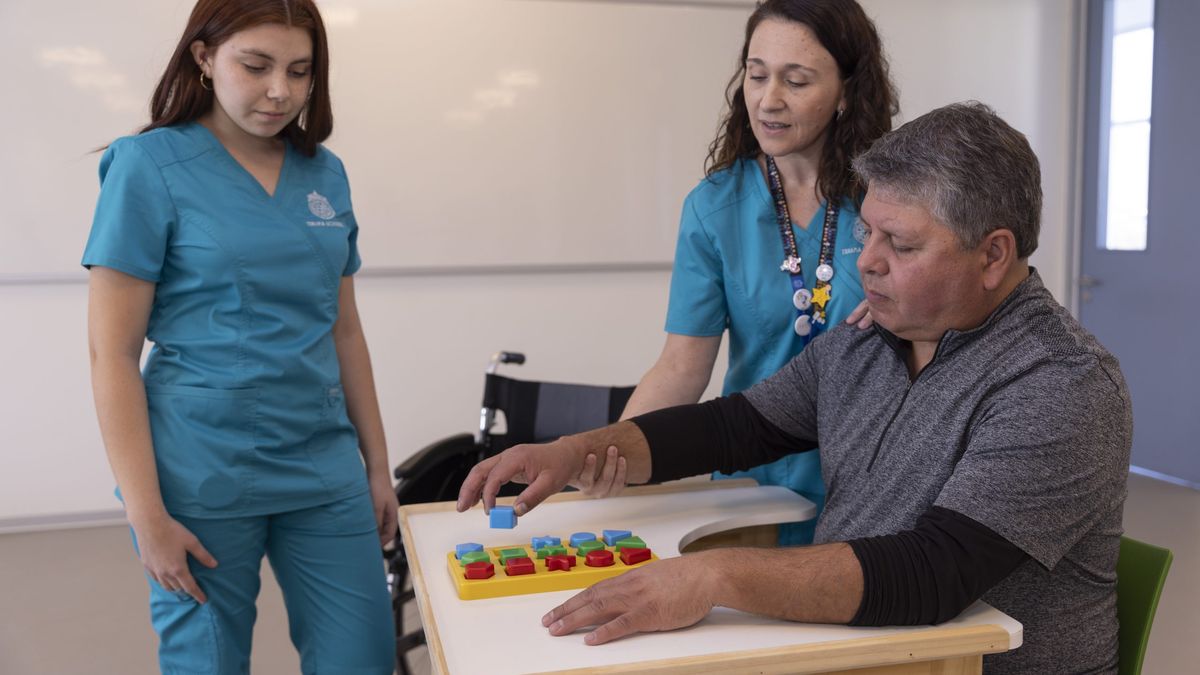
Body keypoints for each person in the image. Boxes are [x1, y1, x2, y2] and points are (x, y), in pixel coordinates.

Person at [458, 102, 1132, 675]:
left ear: (993, 255)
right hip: (859, 651)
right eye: (868, 231)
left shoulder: (1061, 383)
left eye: (900, 243)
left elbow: (935, 571)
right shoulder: (870, 337)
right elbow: (736, 426)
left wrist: (718, 575)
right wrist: (576, 452)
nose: (865, 260)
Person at [83, 1, 395, 672]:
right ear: (204, 57)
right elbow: (111, 353)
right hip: (201, 470)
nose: (279, 90)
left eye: (300, 70)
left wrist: (376, 465)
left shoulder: (324, 172)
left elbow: (344, 329)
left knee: (362, 656)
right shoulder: (147, 165)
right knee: (209, 662)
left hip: (322, 462)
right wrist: (146, 515)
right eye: (255, 66)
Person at [577, 0, 898, 547]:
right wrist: (610, 453)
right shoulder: (714, 206)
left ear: (846, 90)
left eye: (796, 81)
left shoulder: (891, 198)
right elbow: (681, 366)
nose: (768, 100)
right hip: (754, 490)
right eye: (756, 75)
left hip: (876, 485)